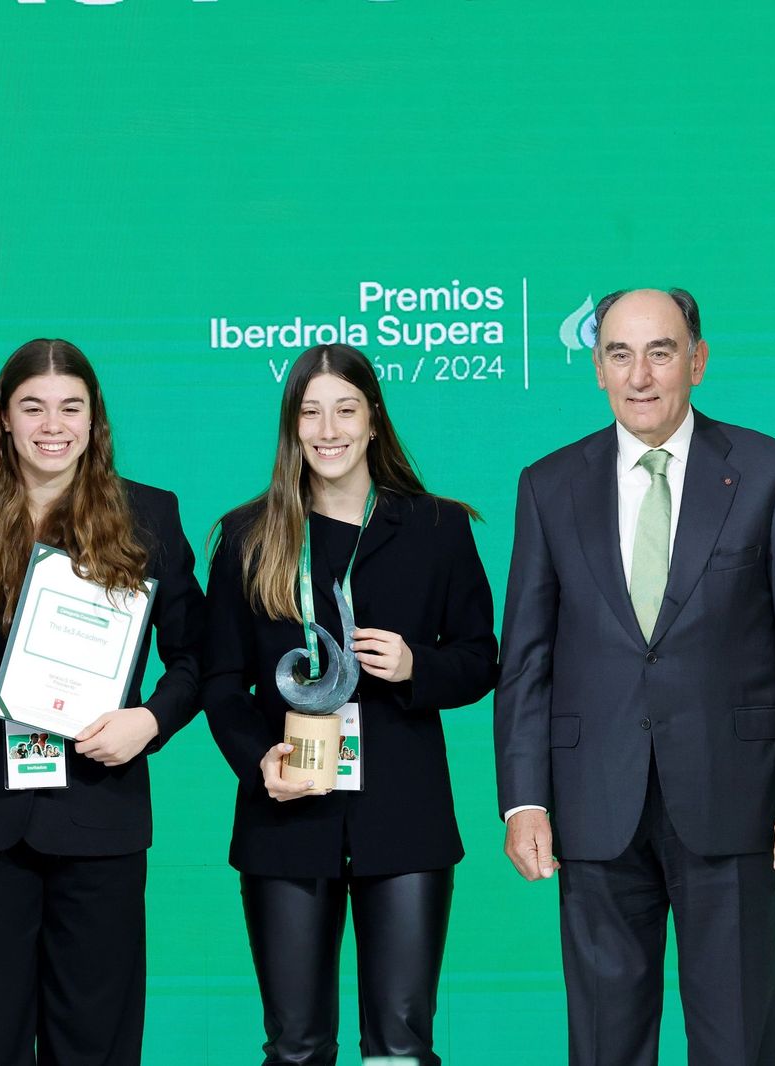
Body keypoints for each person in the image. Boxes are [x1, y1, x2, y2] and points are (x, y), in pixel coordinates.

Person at [494, 288, 775, 1065]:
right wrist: (524, 800)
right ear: (596, 368)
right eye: (619, 354)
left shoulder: (767, 472)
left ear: (698, 360)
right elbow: (525, 660)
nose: (641, 375)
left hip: (735, 797)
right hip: (592, 805)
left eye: (660, 351)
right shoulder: (549, 485)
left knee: (736, 1042)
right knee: (603, 1043)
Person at [0, 338, 205, 1065]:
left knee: (95, 1041)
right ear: (3, 419)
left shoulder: (149, 513)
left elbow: (200, 653)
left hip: (100, 810)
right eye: (33, 407)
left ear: (95, 422)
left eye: (70, 408)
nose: (53, 425)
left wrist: (148, 720)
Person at [204, 343, 497, 1066]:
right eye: (310, 413)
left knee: (400, 1047)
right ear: (291, 427)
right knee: (296, 1047)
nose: (327, 430)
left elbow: (480, 658)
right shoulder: (247, 536)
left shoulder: (436, 527)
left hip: (405, 821)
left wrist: (413, 665)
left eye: (345, 409)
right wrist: (256, 761)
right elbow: (219, 681)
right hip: (287, 818)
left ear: (373, 422)